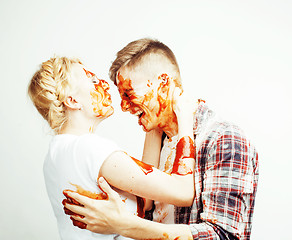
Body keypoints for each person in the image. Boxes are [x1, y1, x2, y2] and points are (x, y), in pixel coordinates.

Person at [63, 38, 259, 240]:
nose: (123, 106)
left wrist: (124, 225)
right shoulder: (157, 139)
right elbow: (146, 210)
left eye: (129, 93)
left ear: (164, 84)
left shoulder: (224, 140)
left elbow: (223, 236)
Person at [28, 56, 197, 240]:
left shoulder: (55, 155)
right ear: (72, 101)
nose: (104, 84)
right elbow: (183, 192)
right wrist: (185, 118)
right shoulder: (90, 149)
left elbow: (145, 201)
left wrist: (154, 124)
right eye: (92, 80)